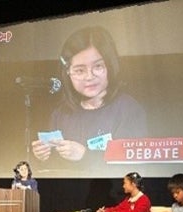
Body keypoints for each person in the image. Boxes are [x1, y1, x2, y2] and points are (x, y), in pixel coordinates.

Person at [32, 26, 148, 165]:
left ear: (110, 66)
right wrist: (43, 156)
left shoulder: (128, 109)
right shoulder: (60, 114)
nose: (89, 77)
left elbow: (132, 166)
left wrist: (86, 155)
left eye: (98, 66)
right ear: (68, 73)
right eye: (80, 70)